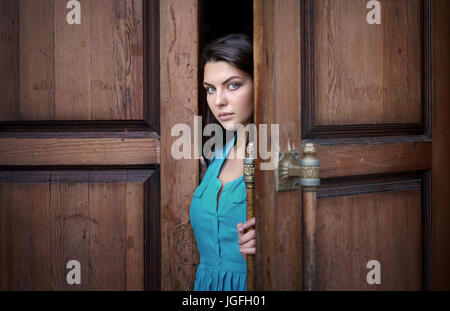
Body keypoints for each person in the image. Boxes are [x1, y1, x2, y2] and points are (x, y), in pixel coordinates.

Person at [189, 33, 256, 291]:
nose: (219, 101)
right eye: (210, 89)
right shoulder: (215, 156)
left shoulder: (277, 159)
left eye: (233, 85)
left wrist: (276, 240)